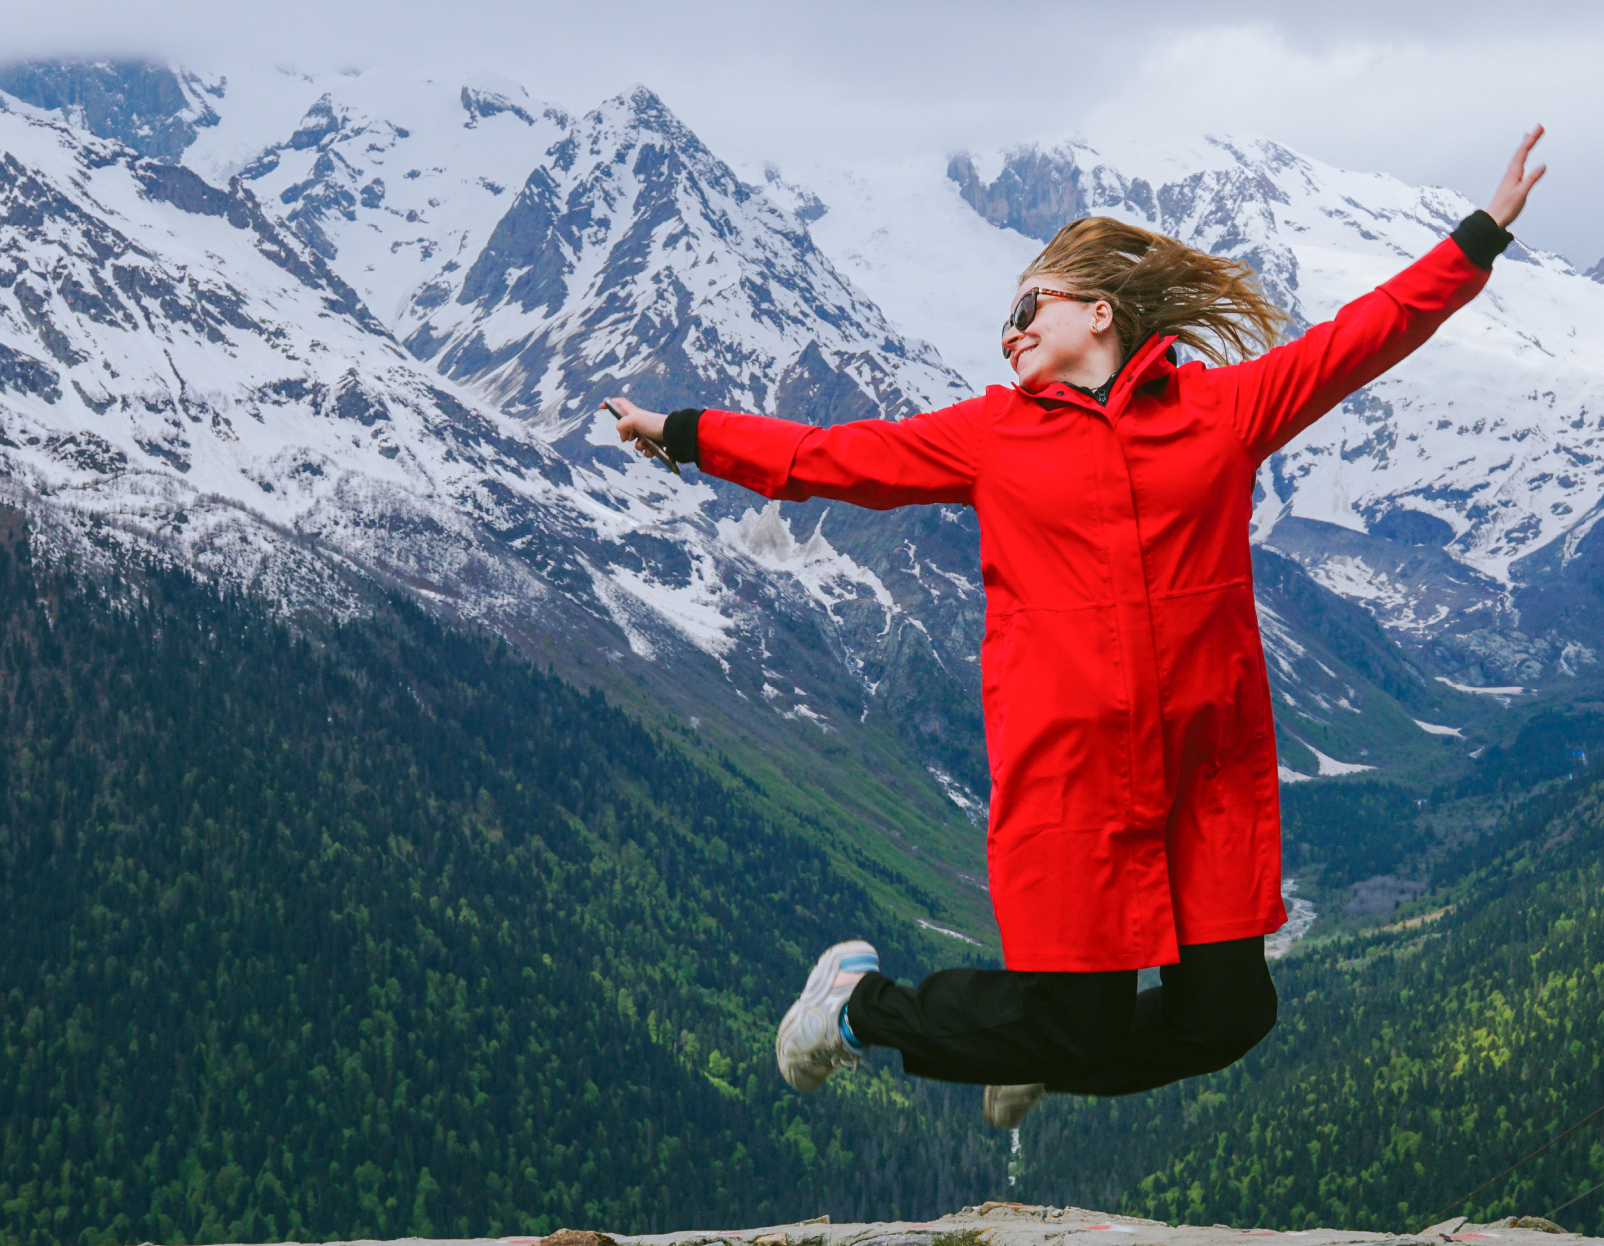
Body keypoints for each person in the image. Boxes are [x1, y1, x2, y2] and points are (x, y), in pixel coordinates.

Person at [609, 128, 1548, 1129]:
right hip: (1074, 781)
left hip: (1205, 778)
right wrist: (684, 435)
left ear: (1097, 314)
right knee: (1079, 1022)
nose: (1008, 332)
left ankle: (1034, 1051)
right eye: (1004, 321)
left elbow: (1362, 339)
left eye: (1026, 309)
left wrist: (1477, 238)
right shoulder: (990, 437)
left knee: (1228, 1017)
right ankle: (858, 1010)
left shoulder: (1220, 413)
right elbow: (829, 458)